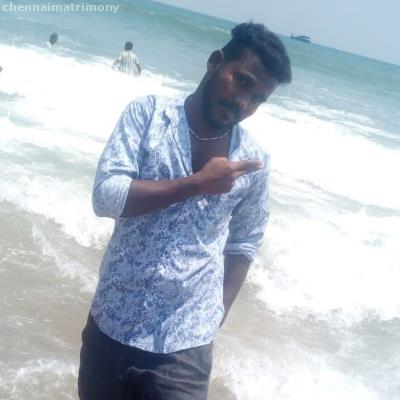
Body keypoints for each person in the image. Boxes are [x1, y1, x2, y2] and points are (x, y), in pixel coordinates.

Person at [78, 22, 291, 400]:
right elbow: (106, 196)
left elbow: (245, 240)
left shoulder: (253, 161)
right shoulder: (148, 115)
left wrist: (217, 313)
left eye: (258, 98)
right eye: (242, 82)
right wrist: (196, 184)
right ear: (215, 62)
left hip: (184, 346)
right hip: (111, 322)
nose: (244, 103)